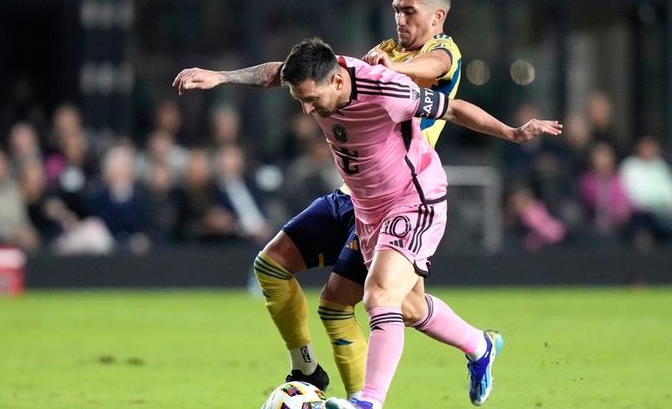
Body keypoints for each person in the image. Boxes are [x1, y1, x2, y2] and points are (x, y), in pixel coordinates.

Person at [174, 36, 561, 409]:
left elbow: (452, 108)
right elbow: (273, 73)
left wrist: (512, 133)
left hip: (413, 201)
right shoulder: (319, 75)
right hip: (362, 204)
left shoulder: (386, 90)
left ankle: (368, 402)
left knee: (378, 296)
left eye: (311, 100)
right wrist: (222, 76)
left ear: (338, 81)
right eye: (300, 101)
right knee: (400, 305)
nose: (308, 111)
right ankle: (477, 346)